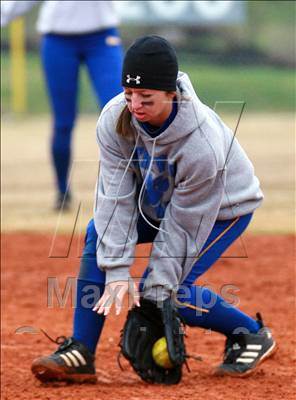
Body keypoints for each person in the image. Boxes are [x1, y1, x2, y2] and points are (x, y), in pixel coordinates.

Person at [31, 35, 276, 383]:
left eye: (146, 97)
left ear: (171, 93)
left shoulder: (201, 145)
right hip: (159, 203)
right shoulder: (116, 118)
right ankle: (81, 351)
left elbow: (184, 225)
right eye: (129, 95)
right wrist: (116, 271)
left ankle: (249, 333)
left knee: (164, 292)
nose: (135, 105)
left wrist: (154, 296)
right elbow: (115, 200)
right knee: (97, 231)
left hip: (223, 208)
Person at [1, 1, 123, 210]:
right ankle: (62, 192)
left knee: (121, 114)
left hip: (102, 36)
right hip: (58, 38)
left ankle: (127, 191)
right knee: (63, 122)